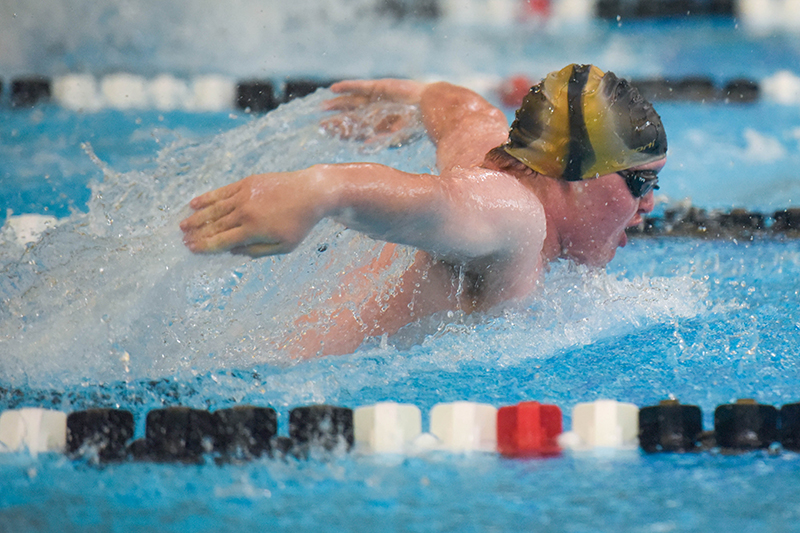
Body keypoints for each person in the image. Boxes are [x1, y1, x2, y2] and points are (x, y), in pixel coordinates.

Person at [180, 64, 667, 358]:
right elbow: (434, 202)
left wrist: (418, 99)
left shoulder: (500, 161)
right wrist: (318, 190)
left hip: (258, 349)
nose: (650, 203)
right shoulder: (517, 215)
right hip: (279, 381)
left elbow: (467, 114)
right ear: (569, 172)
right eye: (638, 181)